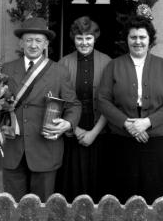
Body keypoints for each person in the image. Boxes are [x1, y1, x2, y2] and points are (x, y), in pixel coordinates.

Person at [98, 15, 163, 205]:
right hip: (122, 141)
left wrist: (146, 123)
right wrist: (128, 124)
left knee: (155, 195)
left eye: (142, 37)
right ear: (127, 40)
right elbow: (103, 100)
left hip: (155, 141)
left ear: (149, 39)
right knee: (122, 194)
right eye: (133, 37)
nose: (138, 41)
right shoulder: (114, 66)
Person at [1, 17, 81, 202]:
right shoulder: (6, 69)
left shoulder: (59, 71)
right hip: (13, 148)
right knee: (12, 206)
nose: (33, 45)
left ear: (45, 44)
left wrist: (67, 123)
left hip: (45, 148)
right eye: (29, 40)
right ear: (21, 42)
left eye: (38, 40)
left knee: (42, 207)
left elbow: (74, 105)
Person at [55, 16, 111, 202]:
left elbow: (110, 102)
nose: (84, 43)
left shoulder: (108, 62)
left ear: (95, 38)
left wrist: (94, 133)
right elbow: (60, 101)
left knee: (97, 176)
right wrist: (75, 129)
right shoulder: (63, 63)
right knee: (72, 178)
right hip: (72, 127)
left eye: (88, 38)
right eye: (80, 38)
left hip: (99, 127)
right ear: (74, 39)